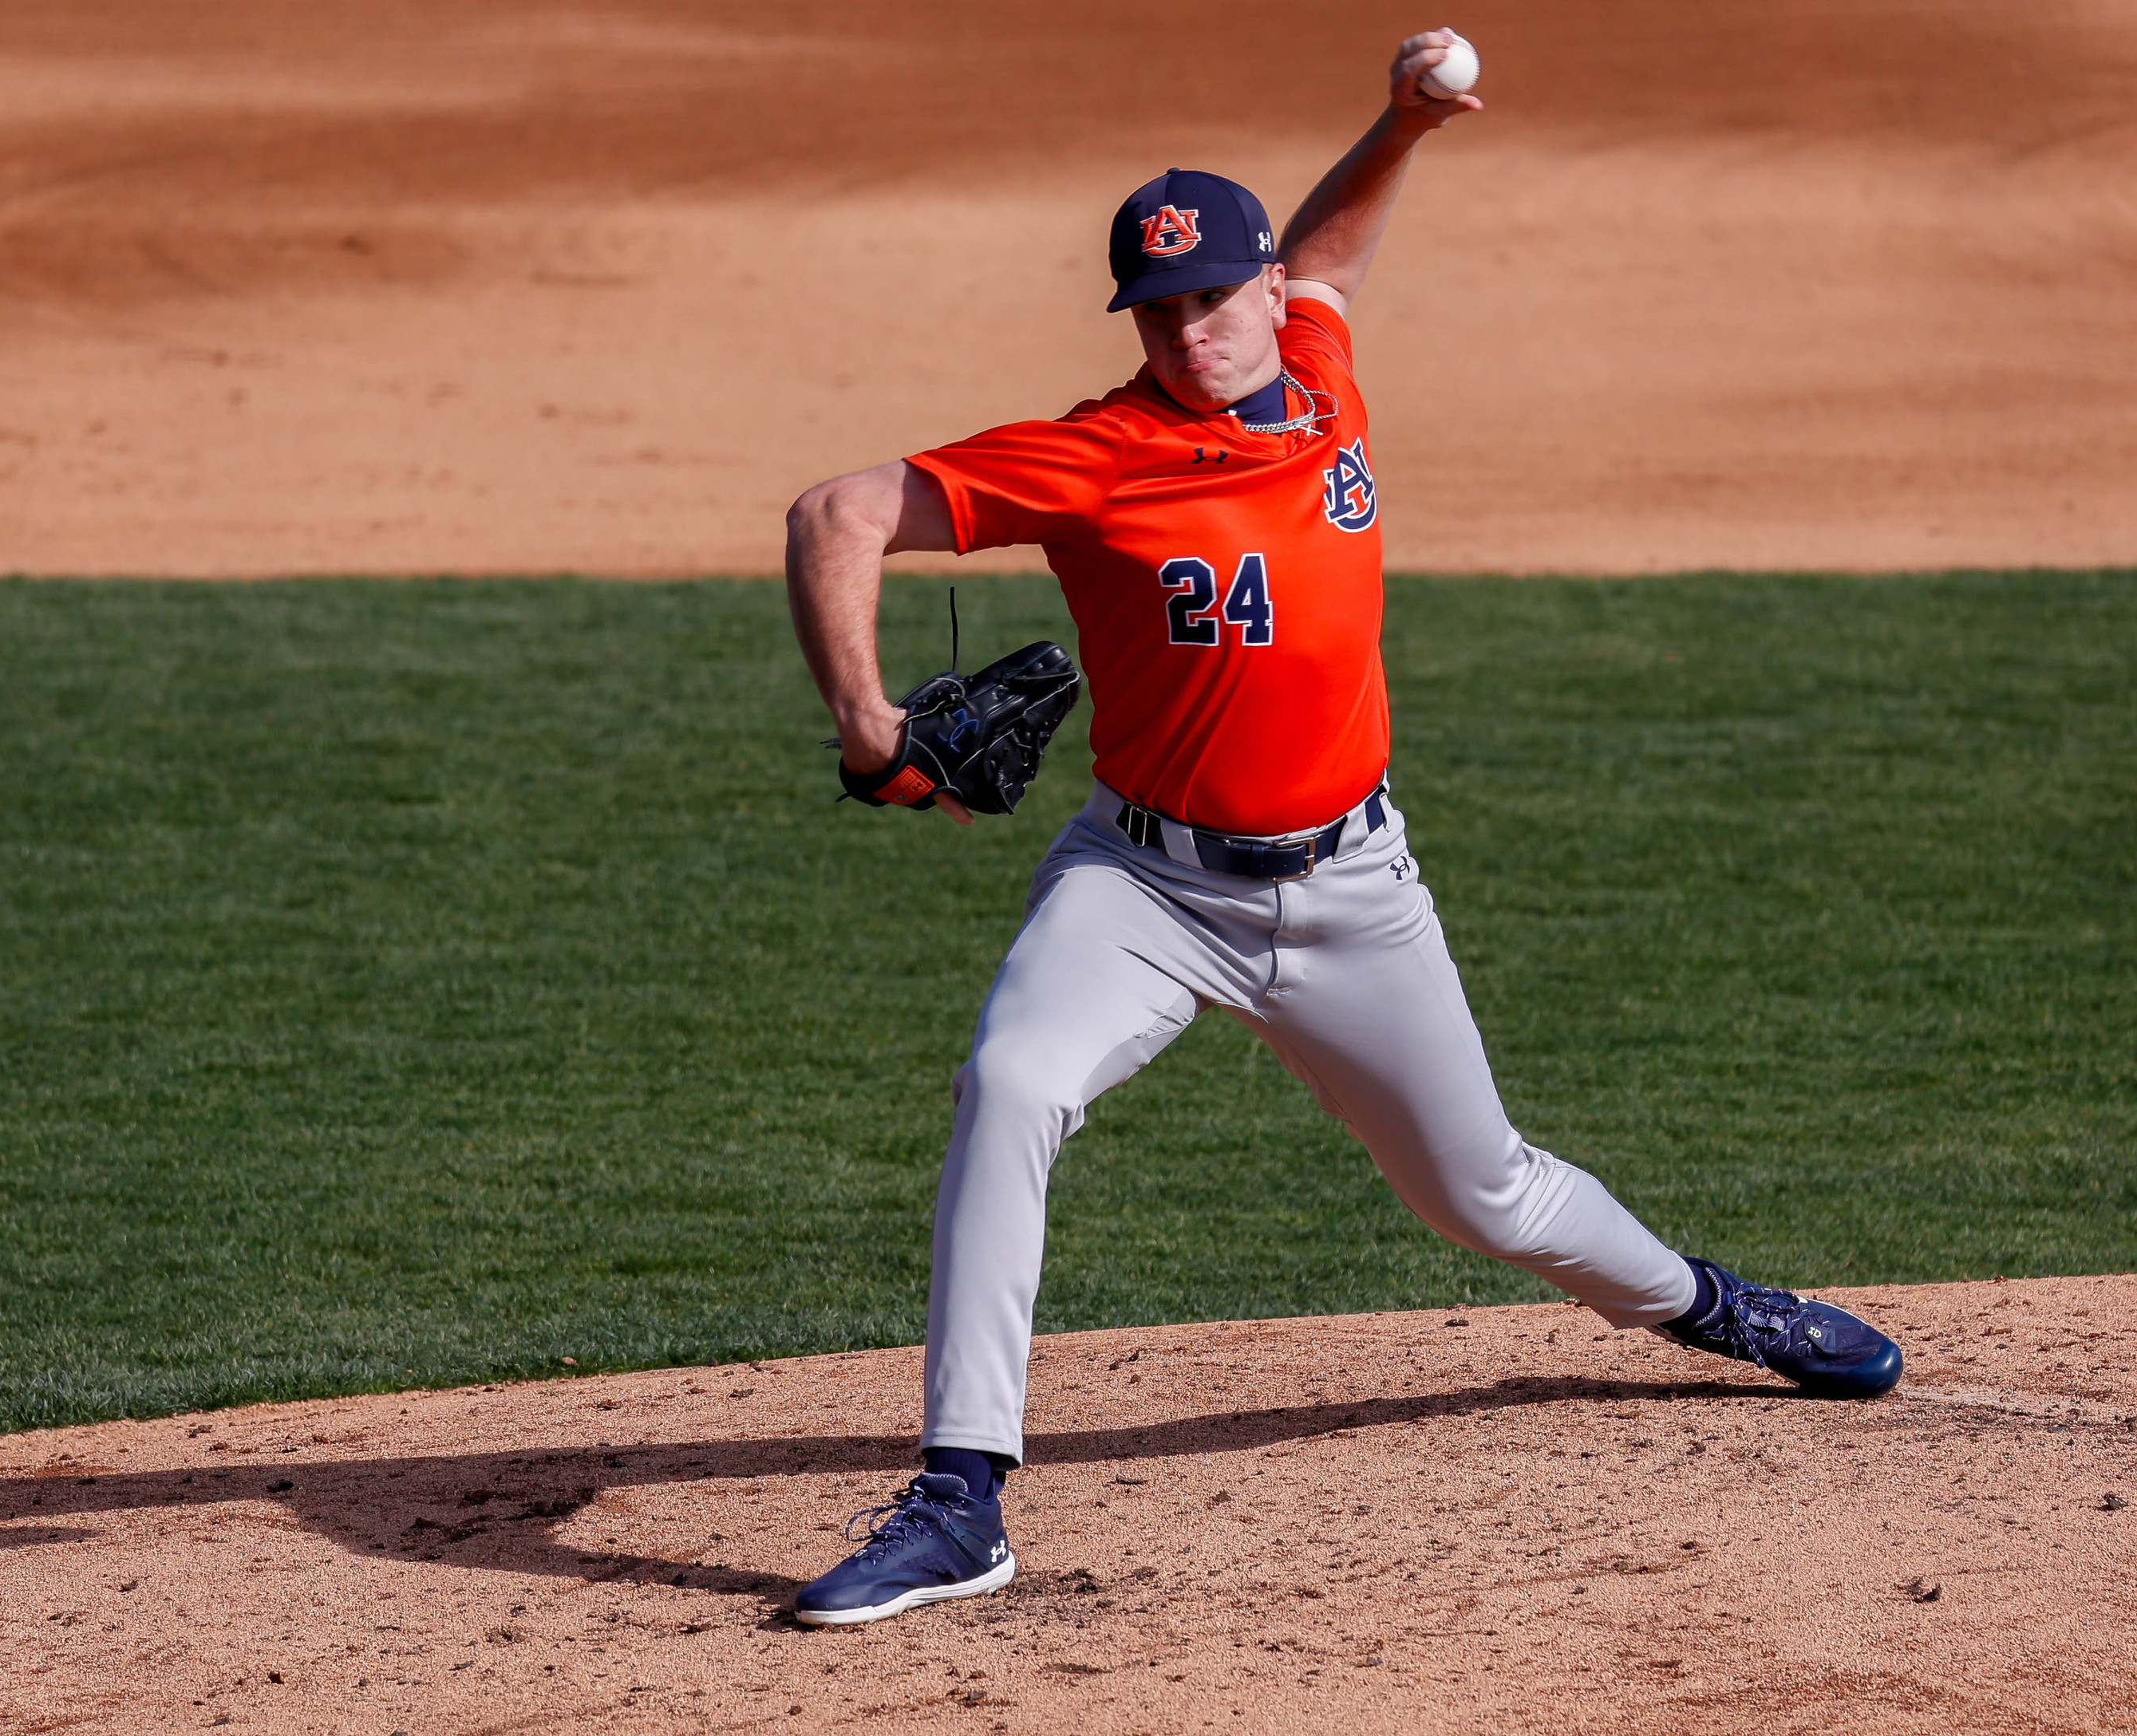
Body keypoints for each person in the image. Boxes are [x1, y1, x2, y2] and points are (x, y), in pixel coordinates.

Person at [778, 30, 1902, 1629]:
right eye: (1157, 310)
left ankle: (1715, 1307)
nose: (1190, 331)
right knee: (1012, 1080)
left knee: (1485, 1193)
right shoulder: (1100, 457)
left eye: (1212, 297)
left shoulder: (1317, 367)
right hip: (1145, 885)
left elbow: (1332, 259)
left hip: (1357, 884)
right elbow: (836, 512)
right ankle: (961, 1496)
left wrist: (1400, 126)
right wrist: (869, 725)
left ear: (1258, 288)